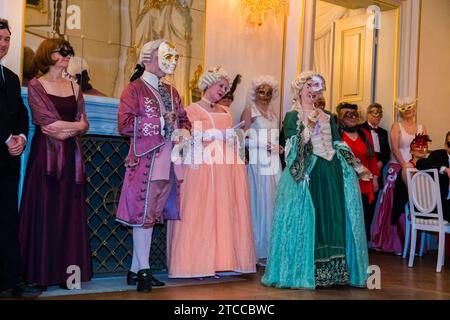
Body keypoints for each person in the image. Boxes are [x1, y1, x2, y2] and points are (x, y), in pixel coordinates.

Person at [262, 71, 368, 289]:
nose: (313, 90)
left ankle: (335, 273)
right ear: (300, 89)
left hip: (332, 172)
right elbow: (292, 148)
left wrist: (358, 167)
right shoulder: (293, 116)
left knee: (334, 218)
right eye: (308, 86)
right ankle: (308, 270)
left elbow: (339, 144)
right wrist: (308, 126)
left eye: (316, 86)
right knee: (312, 219)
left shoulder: (329, 116)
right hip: (309, 174)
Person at [115, 39, 191, 292]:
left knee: (152, 215)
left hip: (167, 160)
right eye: (164, 56)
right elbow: (125, 125)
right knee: (142, 214)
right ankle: (144, 268)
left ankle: (136, 270)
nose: (169, 63)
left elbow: (184, 120)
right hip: (145, 160)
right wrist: (159, 121)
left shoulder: (173, 91)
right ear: (148, 58)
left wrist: (183, 131)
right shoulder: (133, 90)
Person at [167, 66, 256, 278]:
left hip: (226, 166)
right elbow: (186, 137)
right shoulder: (192, 109)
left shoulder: (225, 111)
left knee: (223, 212)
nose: (223, 90)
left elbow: (232, 138)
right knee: (201, 212)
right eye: (220, 85)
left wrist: (231, 137)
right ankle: (196, 264)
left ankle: (221, 262)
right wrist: (210, 133)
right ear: (209, 84)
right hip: (203, 167)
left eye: (226, 87)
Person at [18, 38, 92, 289]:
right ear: (49, 54)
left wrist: (68, 129)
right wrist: (75, 127)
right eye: (62, 51)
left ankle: (67, 276)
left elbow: (84, 123)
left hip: (72, 157)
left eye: (69, 52)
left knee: (68, 214)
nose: (67, 55)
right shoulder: (37, 85)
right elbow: (45, 123)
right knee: (45, 210)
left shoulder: (75, 86)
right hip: (45, 158)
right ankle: (41, 275)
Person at [0, 18, 41, 298]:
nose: (4, 44)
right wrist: (6, 138)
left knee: (6, 222)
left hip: (9, 162)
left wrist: (22, 138)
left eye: (7, 39)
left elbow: (22, 114)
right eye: (0, 38)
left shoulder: (12, 78)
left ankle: (11, 279)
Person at [371, 98, 427, 254]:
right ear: (400, 111)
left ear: (414, 109)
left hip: (416, 168)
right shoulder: (397, 126)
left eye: (410, 108)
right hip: (398, 167)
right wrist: (404, 165)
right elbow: (395, 149)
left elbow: (423, 149)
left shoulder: (422, 127)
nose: (408, 110)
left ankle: (413, 245)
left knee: (417, 202)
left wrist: (415, 164)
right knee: (397, 201)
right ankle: (396, 243)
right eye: (404, 108)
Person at [240, 75, 282, 265]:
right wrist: (260, 144)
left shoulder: (274, 113)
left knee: (273, 202)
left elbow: (275, 137)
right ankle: (256, 251)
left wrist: (279, 147)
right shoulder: (250, 110)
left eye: (268, 92)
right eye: (261, 91)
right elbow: (242, 139)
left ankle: (271, 250)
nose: (264, 95)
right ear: (255, 92)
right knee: (259, 203)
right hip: (257, 162)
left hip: (273, 162)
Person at [337, 102, 380, 241]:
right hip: (345, 184)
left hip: (364, 183)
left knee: (363, 216)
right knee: (346, 216)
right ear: (341, 117)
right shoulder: (337, 135)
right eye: (348, 115)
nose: (352, 117)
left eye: (355, 114)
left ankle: (361, 249)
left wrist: (375, 179)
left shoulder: (365, 134)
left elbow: (372, 158)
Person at [416, 131, 450, 221]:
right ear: (446, 145)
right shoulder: (438, 155)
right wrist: (445, 169)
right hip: (440, 204)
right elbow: (420, 163)